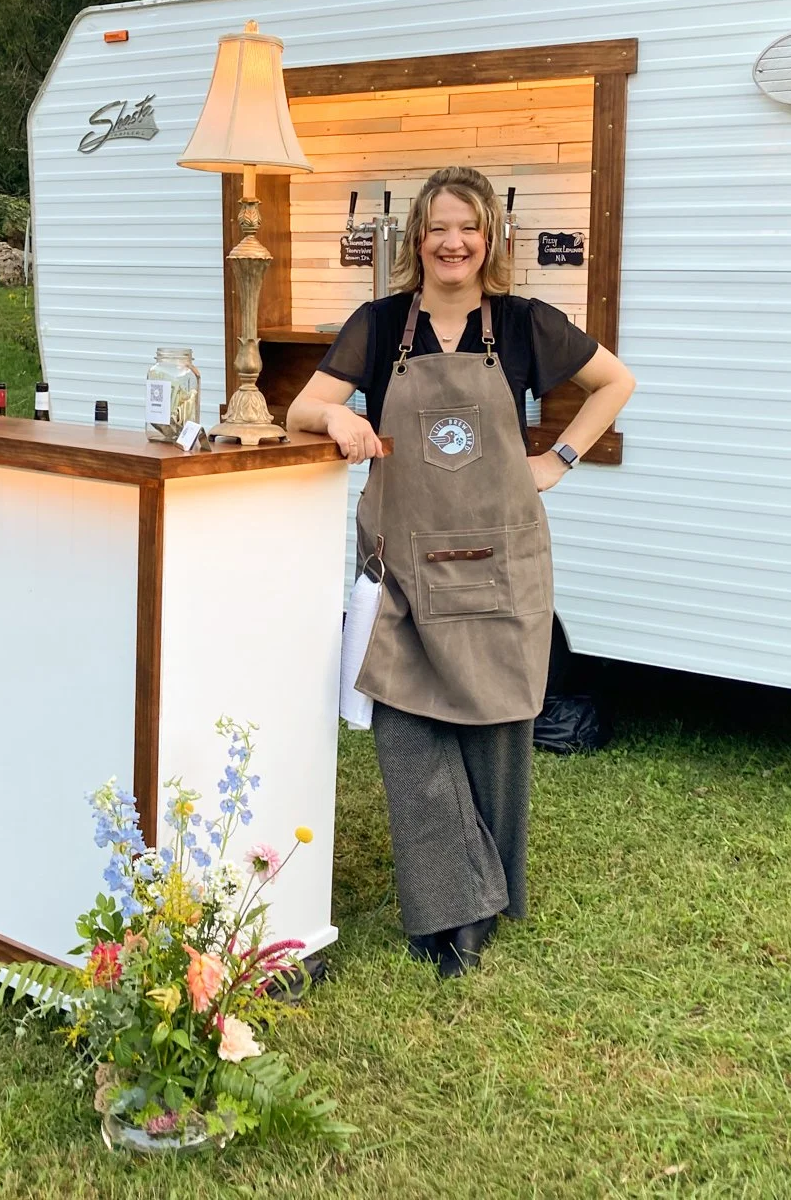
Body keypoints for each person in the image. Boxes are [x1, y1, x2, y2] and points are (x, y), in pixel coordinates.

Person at [287, 165, 636, 978]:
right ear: (417, 239)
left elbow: (616, 382)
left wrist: (559, 458)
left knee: (496, 733)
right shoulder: (378, 327)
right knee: (407, 738)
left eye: (468, 228)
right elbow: (302, 408)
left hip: (498, 565)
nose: (453, 242)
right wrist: (339, 412)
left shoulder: (522, 325)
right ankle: (454, 903)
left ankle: (477, 909)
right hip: (404, 567)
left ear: (490, 239)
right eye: (438, 227)